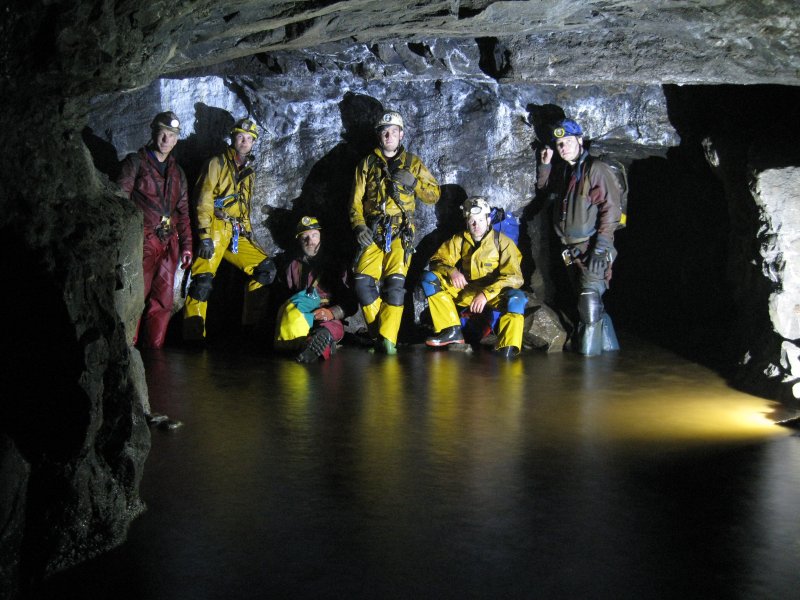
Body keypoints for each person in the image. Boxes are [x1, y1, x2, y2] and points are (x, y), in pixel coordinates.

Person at [349, 110, 440, 354]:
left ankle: (387, 342)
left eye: (393, 131)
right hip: (373, 229)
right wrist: (358, 225)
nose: (389, 135)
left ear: (401, 134)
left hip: (401, 232)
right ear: (379, 135)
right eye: (384, 131)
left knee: (395, 285)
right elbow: (355, 201)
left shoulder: (413, 163)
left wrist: (414, 183)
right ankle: (382, 334)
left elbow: (434, 195)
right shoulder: (367, 163)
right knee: (361, 281)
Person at [183, 118, 276, 341]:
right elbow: (203, 199)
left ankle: (249, 331)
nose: (244, 142)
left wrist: (247, 231)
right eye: (240, 137)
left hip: (234, 232)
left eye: (249, 139)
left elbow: (244, 205)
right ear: (233, 138)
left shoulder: (248, 171)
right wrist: (204, 235)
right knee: (203, 280)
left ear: (253, 143)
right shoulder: (216, 163)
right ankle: (193, 337)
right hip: (214, 227)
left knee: (266, 269)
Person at [535, 118, 622, 356]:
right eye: (559, 144)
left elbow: (612, 208)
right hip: (571, 251)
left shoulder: (596, 169)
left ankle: (589, 364)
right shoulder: (566, 171)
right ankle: (611, 356)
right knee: (587, 303)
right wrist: (545, 165)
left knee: (589, 301)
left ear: (580, 140)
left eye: (567, 142)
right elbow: (546, 190)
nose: (563, 147)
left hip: (592, 246)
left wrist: (602, 247)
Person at [117, 111, 192, 349]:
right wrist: (123, 242)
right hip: (142, 240)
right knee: (135, 297)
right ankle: (128, 350)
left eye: (171, 135)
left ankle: (154, 354)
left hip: (169, 243)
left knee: (163, 301)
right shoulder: (134, 163)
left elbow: (183, 212)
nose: (166, 139)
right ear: (153, 132)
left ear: (177, 139)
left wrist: (188, 246)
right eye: (163, 133)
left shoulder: (178, 173)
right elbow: (120, 200)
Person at [421, 196, 527, 358]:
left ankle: (508, 347)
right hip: (467, 291)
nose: (476, 225)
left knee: (517, 298)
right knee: (429, 278)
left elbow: (514, 277)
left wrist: (486, 294)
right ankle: (451, 330)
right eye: (472, 221)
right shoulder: (459, 239)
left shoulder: (503, 243)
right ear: (466, 222)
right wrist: (452, 271)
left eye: (480, 220)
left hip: (495, 294)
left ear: (488, 220)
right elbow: (437, 260)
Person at [273, 216, 357, 363]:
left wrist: (331, 312)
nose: (310, 241)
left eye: (314, 235)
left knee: (330, 329)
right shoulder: (291, 266)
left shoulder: (336, 264)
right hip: (302, 315)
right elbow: (284, 297)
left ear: (321, 237)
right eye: (304, 237)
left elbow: (351, 302)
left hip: (326, 314)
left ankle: (314, 346)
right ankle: (302, 345)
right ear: (299, 240)